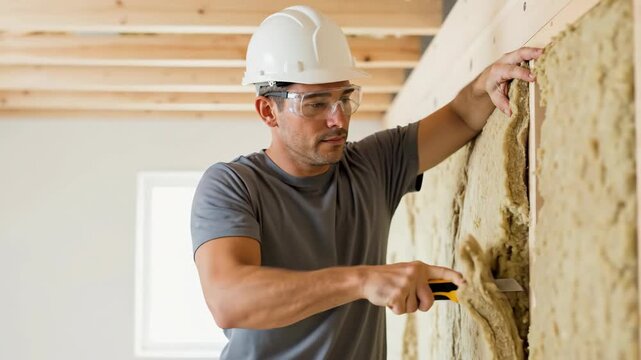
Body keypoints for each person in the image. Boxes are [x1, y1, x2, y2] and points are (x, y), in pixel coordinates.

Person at [191, 5, 541, 359]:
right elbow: (228, 301)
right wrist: (364, 281)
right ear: (268, 111)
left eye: (344, 98)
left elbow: (461, 115)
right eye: (315, 105)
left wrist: (488, 80)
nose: (338, 119)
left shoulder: (371, 165)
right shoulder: (233, 185)